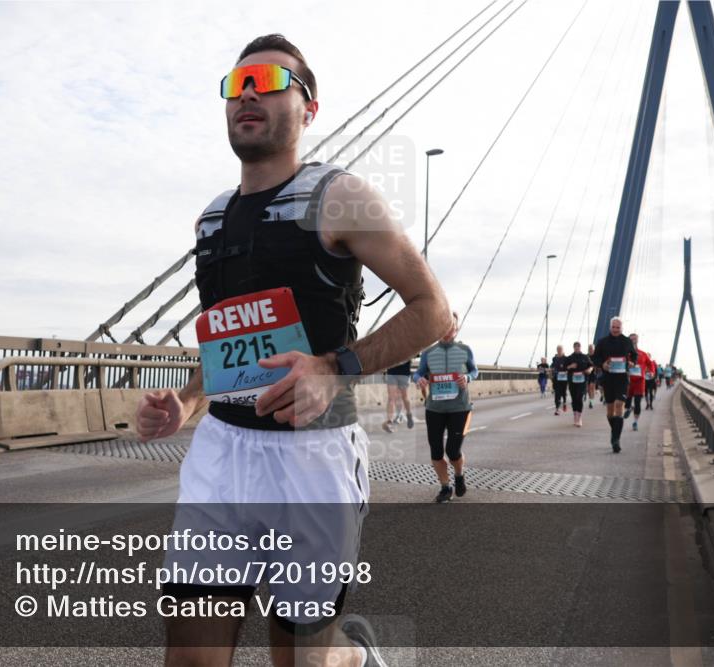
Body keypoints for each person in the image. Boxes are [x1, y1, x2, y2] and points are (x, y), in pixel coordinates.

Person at [136, 34, 451, 667]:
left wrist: (334, 370)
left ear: (309, 108)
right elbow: (229, 337)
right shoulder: (213, 219)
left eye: (268, 81)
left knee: (302, 659)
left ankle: (354, 658)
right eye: (236, 83)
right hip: (222, 457)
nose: (248, 91)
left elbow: (435, 311)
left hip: (312, 461)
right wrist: (188, 401)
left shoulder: (339, 197)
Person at [414, 311, 479, 503]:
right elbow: (417, 374)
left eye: (452, 325)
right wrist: (420, 380)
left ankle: (459, 475)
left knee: (452, 451)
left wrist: (467, 378)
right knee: (435, 451)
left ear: (456, 329)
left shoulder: (465, 350)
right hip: (434, 408)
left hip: (460, 407)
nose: (448, 329)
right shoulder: (428, 352)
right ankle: (445, 486)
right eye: (444, 324)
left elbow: (475, 371)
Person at [591, 316, 637, 453]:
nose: (616, 329)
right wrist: (602, 364)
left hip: (622, 378)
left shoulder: (627, 341)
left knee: (619, 405)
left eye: (618, 327)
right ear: (610, 328)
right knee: (610, 410)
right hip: (608, 379)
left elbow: (634, 355)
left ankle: (616, 440)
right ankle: (615, 432)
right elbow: (595, 358)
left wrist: (632, 363)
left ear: (621, 328)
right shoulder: (602, 342)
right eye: (614, 327)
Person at [625, 333, 654, 431]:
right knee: (627, 402)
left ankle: (635, 422)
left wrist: (651, 372)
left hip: (640, 381)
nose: (633, 341)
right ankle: (629, 408)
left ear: (637, 340)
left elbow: (650, 364)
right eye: (631, 339)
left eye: (635, 339)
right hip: (628, 380)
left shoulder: (643, 354)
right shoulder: (625, 353)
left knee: (637, 402)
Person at [565, 342, 593, 427]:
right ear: (573, 347)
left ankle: (579, 418)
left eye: (578, 346)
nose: (577, 348)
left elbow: (591, 366)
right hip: (572, 381)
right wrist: (570, 367)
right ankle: (575, 417)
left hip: (582, 381)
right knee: (574, 398)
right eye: (575, 347)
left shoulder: (585, 357)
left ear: (580, 347)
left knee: (579, 397)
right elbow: (564, 368)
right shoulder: (569, 358)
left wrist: (589, 370)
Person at [382, 359, 414, 432]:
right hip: (393, 372)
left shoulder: (408, 347)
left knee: (403, 397)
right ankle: (389, 421)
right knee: (392, 398)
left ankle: (408, 414)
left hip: (403, 373)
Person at [551, 345, 569, 416]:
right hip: (556, 378)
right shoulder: (554, 358)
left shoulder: (566, 358)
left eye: (560, 349)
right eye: (558, 349)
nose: (559, 350)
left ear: (562, 350)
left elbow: (568, 367)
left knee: (563, 392)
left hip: (564, 378)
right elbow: (552, 366)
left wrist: (567, 371)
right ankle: (557, 408)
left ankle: (564, 402)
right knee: (557, 393)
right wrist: (552, 369)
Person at [587, 343, 598, 409]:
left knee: (592, 387)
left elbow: (598, 364)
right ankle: (590, 399)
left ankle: (591, 401)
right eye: (589, 348)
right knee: (588, 388)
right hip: (587, 373)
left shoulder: (596, 356)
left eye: (591, 348)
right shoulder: (586, 356)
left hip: (594, 373)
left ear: (594, 349)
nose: (590, 350)